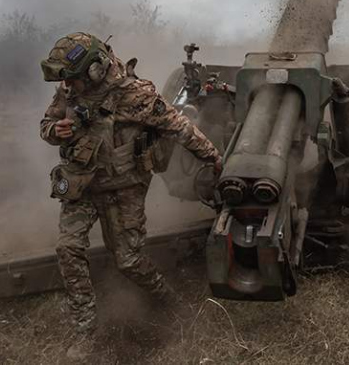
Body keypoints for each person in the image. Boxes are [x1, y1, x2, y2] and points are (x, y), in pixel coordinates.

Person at [39, 32, 221, 346]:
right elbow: (46, 124)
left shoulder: (137, 95)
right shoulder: (68, 91)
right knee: (68, 249)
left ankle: (166, 299)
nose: (70, 86)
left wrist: (214, 157)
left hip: (125, 188)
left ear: (96, 69)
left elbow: (179, 127)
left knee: (128, 261)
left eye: (75, 79)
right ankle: (85, 330)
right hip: (81, 184)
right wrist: (55, 130)